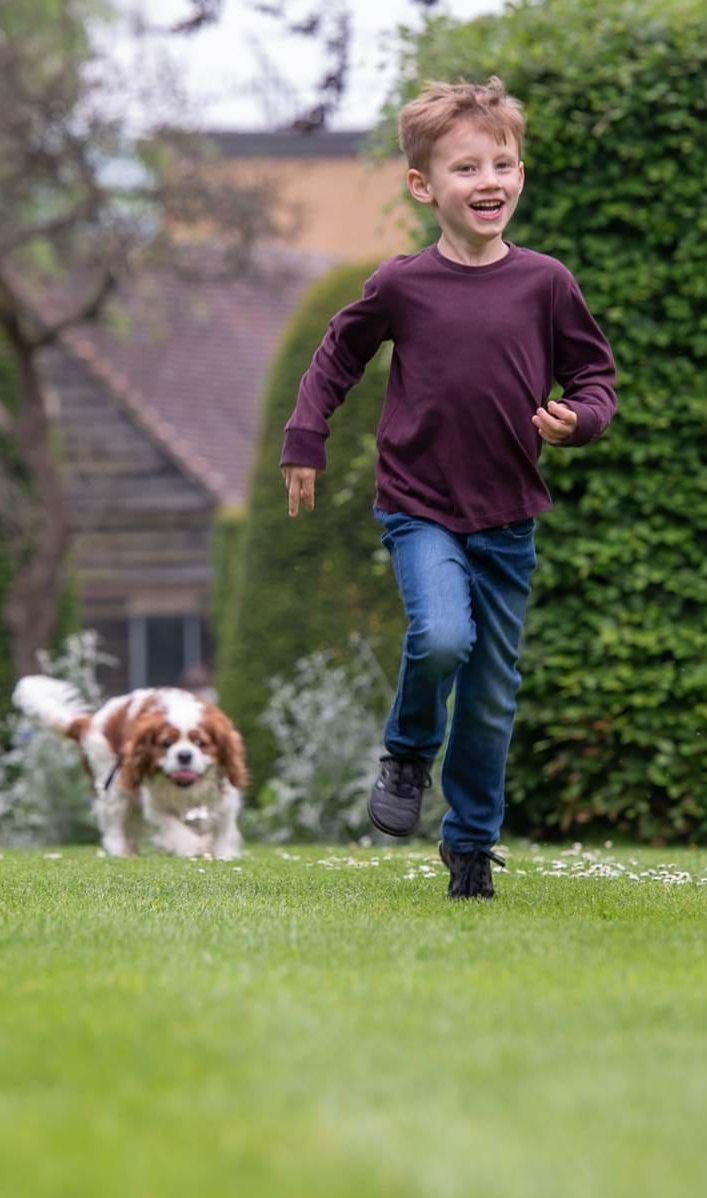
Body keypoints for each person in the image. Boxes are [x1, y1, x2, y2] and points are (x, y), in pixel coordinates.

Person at [279, 77, 618, 900]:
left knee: (494, 696)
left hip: (507, 519)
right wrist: (305, 438)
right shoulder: (404, 284)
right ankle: (406, 753)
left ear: (522, 175)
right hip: (420, 505)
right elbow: (337, 356)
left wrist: (580, 419)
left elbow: (595, 374)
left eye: (501, 164)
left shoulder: (546, 282)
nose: (489, 182)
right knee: (439, 640)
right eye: (467, 169)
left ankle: (470, 847)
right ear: (424, 187)